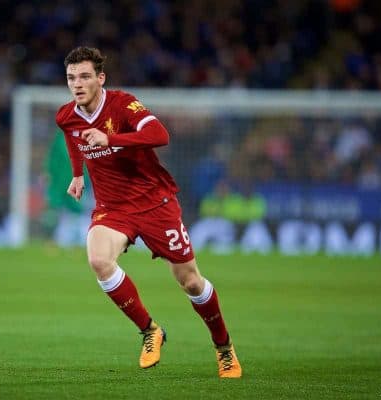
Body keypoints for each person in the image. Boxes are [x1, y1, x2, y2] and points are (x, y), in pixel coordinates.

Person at [55, 46, 242, 378]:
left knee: (190, 282)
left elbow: (160, 135)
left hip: (155, 203)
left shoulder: (123, 103)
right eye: (71, 78)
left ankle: (224, 347)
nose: (77, 84)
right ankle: (150, 330)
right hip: (113, 208)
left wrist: (110, 138)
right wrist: (76, 174)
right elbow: (74, 139)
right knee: (99, 260)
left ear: (100, 78)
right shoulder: (65, 116)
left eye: (84, 76)